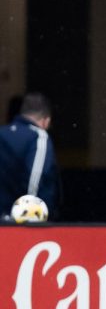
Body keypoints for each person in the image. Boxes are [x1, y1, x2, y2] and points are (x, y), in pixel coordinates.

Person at [0, 92, 60, 220]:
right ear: (46, 121)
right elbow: (36, 177)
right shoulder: (39, 137)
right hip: (25, 221)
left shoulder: (2, 134)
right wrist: (29, 213)